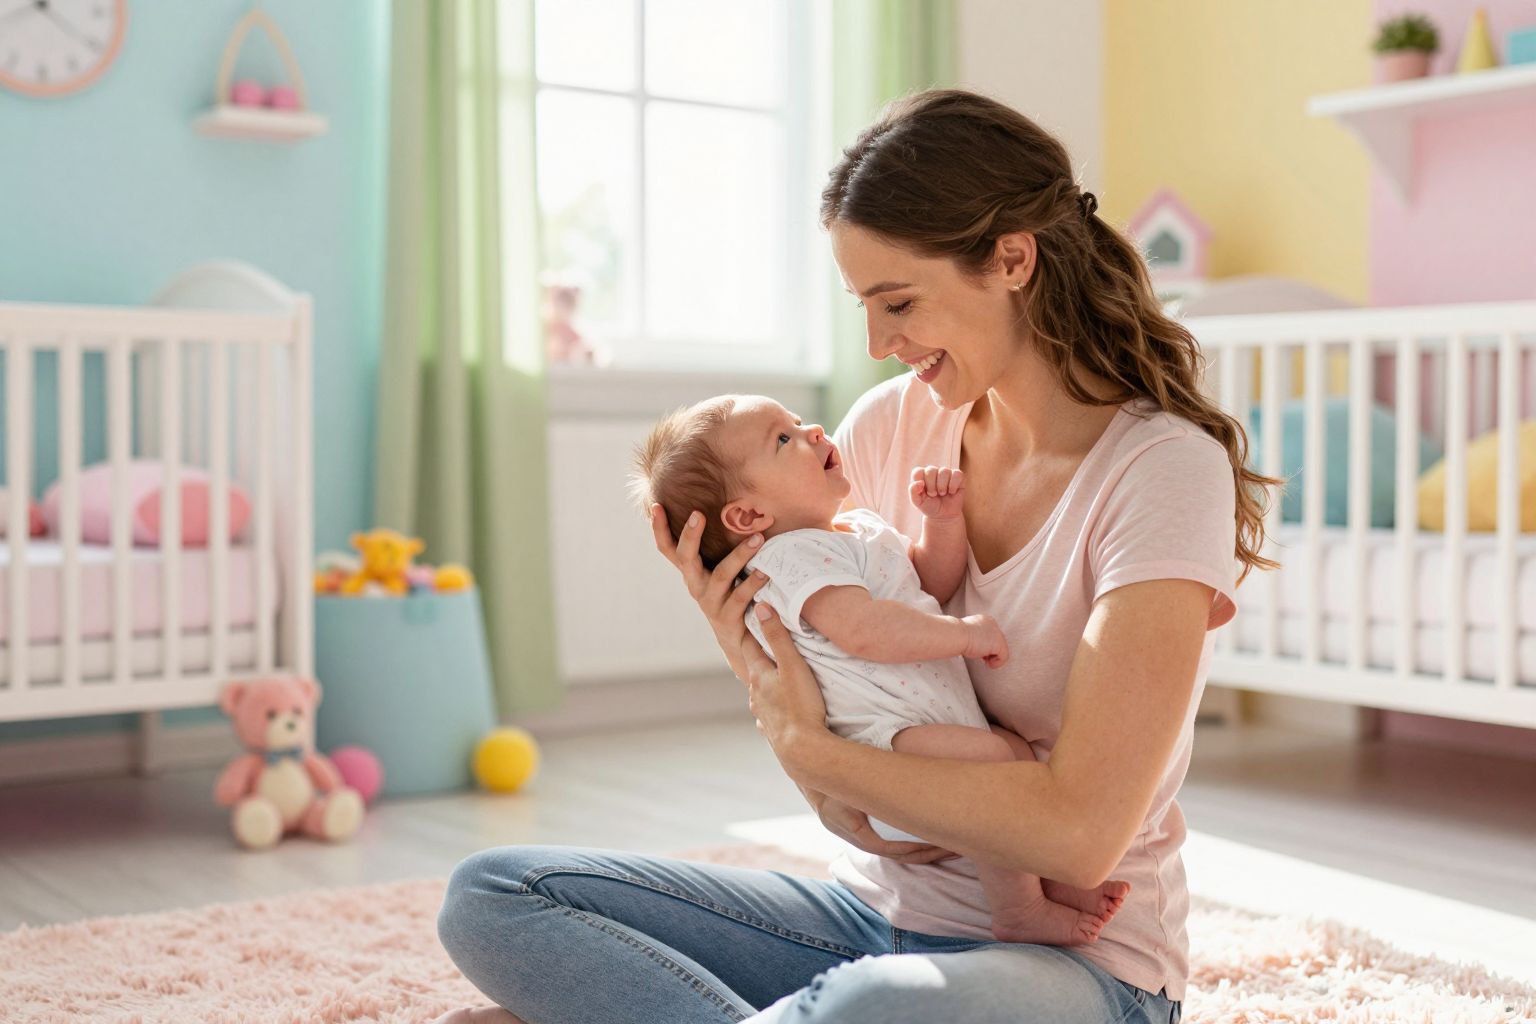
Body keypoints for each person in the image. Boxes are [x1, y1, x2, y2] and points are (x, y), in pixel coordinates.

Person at [435, 88, 1276, 1024]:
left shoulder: (1162, 472)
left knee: (866, 1007)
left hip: (1077, 973)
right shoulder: (888, 426)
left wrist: (813, 755)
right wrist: (757, 662)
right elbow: (821, 680)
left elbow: (1079, 837)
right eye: (865, 306)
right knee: (494, 895)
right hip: (865, 915)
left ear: (1012, 258)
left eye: (899, 301)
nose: (878, 342)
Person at [629, 392, 1130, 945]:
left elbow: (926, 586)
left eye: (796, 421)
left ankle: (1050, 883)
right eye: (782, 439)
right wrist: (963, 635)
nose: (813, 431)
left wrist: (941, 523)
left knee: (1012, 756)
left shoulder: (854, 531)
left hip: (919, 729)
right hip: (882, 745)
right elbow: (865, 629)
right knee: (998, 765)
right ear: (749, 516)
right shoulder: (790, 559)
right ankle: (1018, 911)